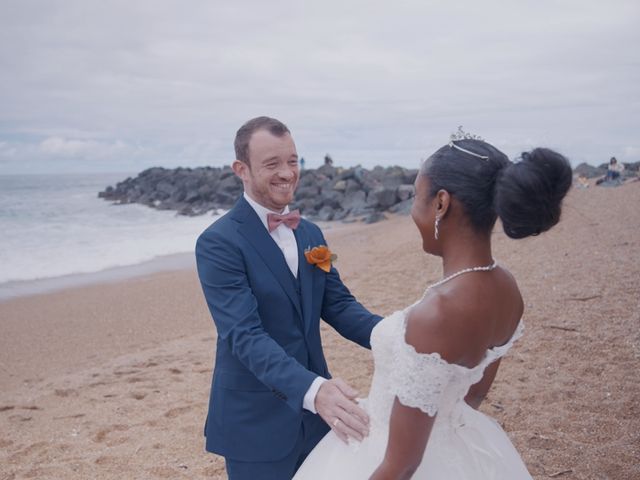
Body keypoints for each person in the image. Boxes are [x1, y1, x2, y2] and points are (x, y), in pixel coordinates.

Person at [294, 132, 573, 479]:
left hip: (384, 457)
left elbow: (401, 466)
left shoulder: (437, 312)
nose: (412, 209)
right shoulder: (508, 289)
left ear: (441, 203)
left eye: (415, 195)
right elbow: (471, 398)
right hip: (462, 447)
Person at [195, 116, 382, 479]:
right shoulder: (218, 243)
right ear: (241, 170)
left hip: (317, 420)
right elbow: (244, 335)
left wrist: (396, 336)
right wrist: (316, 391)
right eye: (272, 164)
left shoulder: (310, 232)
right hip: (255, 423)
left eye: (293, 161)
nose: (287, 173)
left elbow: (339, 305)